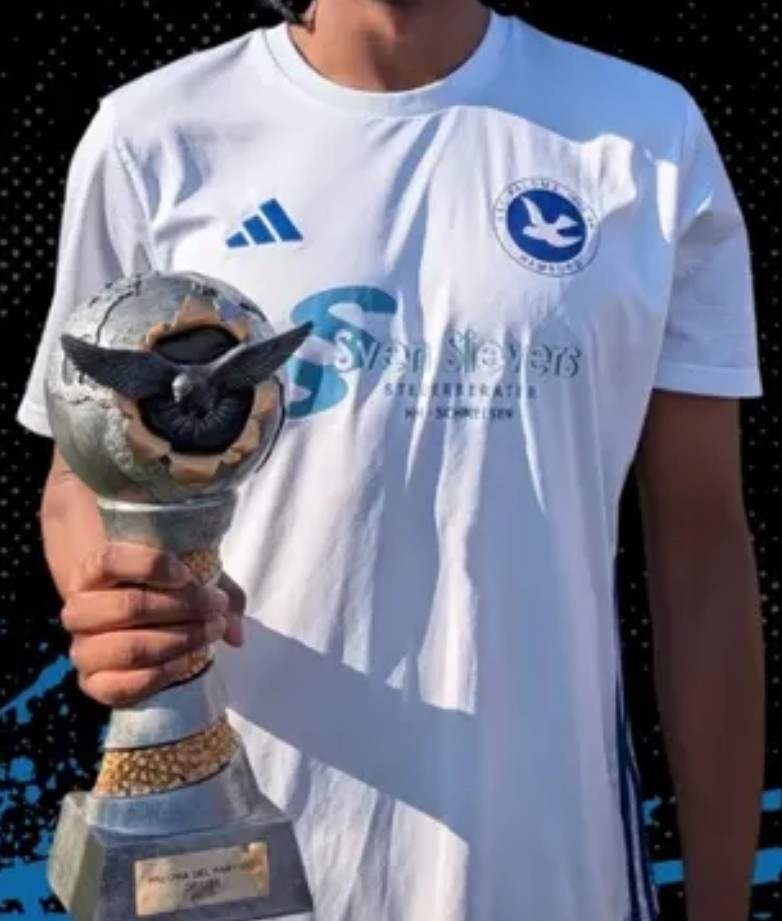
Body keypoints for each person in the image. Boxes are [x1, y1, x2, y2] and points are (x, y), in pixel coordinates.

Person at [16, 1, 766, 920]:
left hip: (548, 872)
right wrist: (120, 596)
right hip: (229, 867)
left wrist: (722, 902)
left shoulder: (646, 137)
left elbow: (701, 548)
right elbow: (79, 475)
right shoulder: (153, 135)